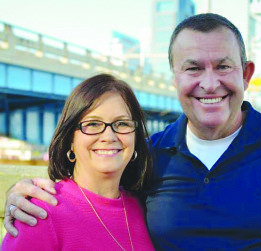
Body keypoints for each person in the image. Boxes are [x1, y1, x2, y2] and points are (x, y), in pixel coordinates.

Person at [3, 13, 261, 250]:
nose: (209, 84)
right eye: (193, 68)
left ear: (246, 74)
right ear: (174, 78)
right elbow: (91, 194)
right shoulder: (147, 156)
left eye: (223, 66)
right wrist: (19, 194)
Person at [1, 74, 155, 250]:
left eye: (122, 124)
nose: (109, 136)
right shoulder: (40, 213)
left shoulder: (146, 208)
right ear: (70, 140)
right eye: (93, 124)